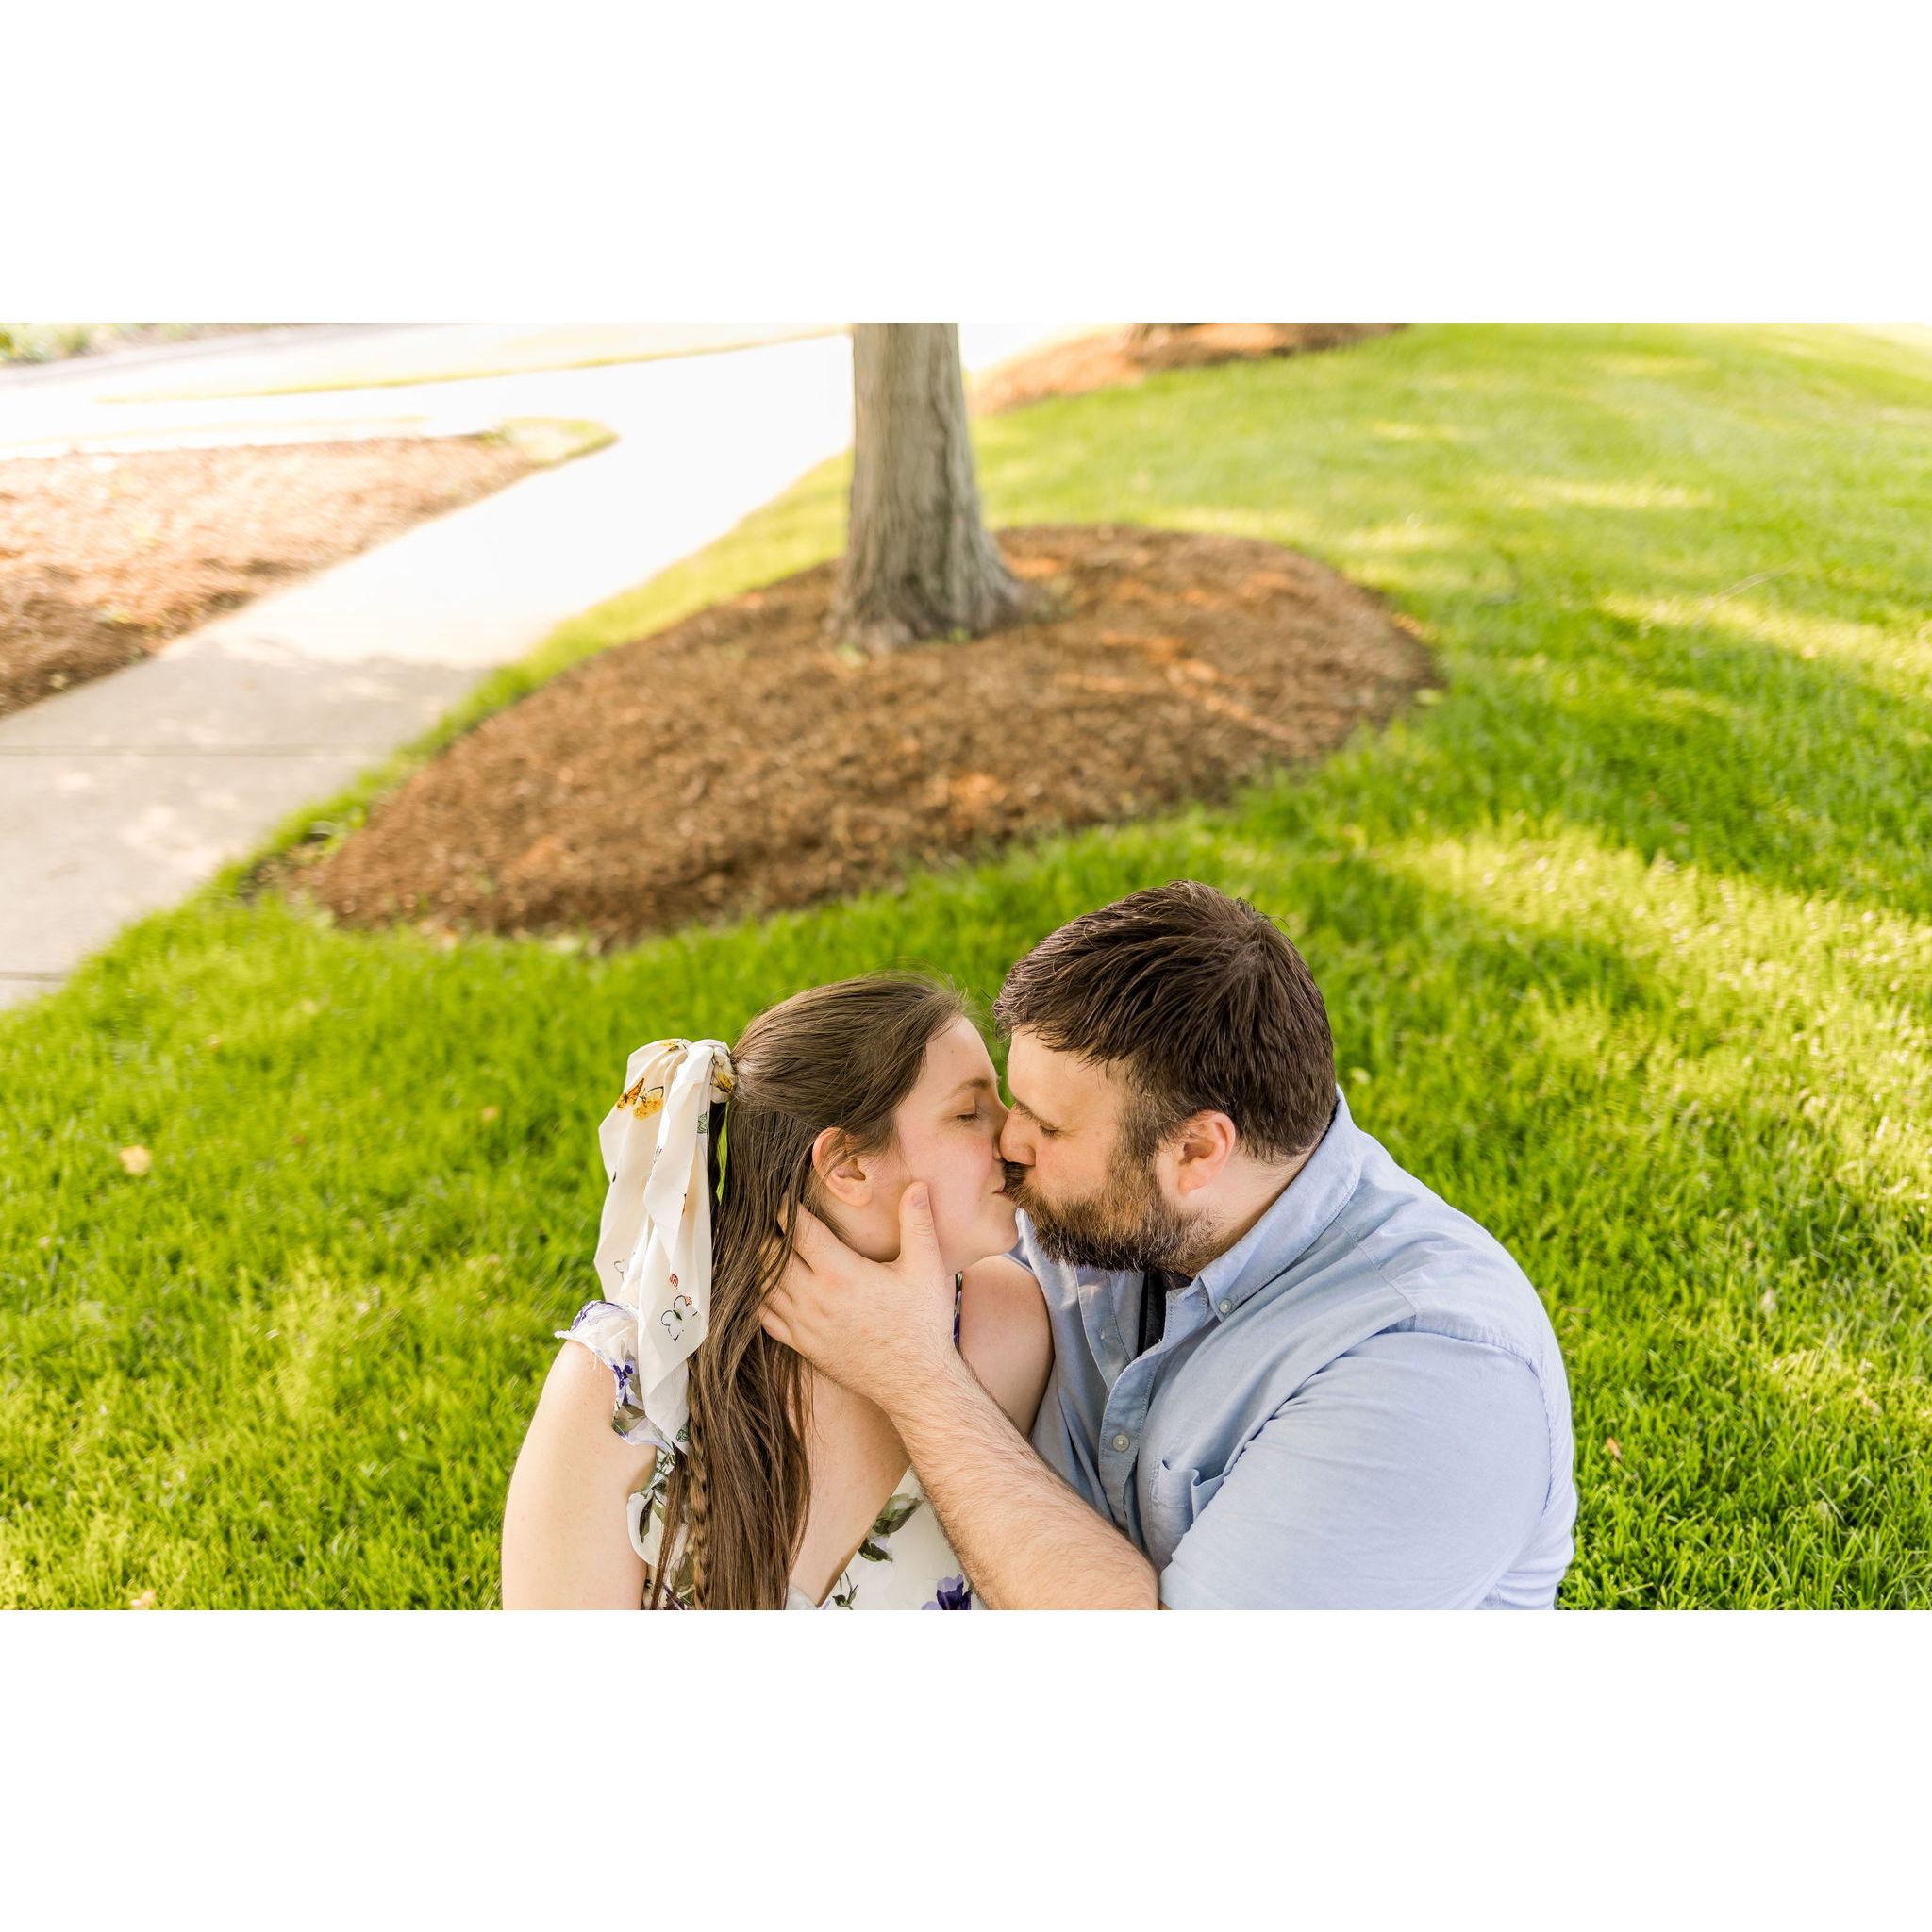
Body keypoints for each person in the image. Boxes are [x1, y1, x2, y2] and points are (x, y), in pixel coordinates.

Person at [763, 880, 1578, 1608]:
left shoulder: (1429, 1379)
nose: (1011, 1143)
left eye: (1047, 1126)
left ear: (1196, 1152)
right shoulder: (1117, 1218)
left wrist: (917, 1379)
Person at [500, 976, 1050, 1609]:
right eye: (969, 1112)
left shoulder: (1003, 1329)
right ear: (847, 1167)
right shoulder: (625, 1379)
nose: (1014, 1138)